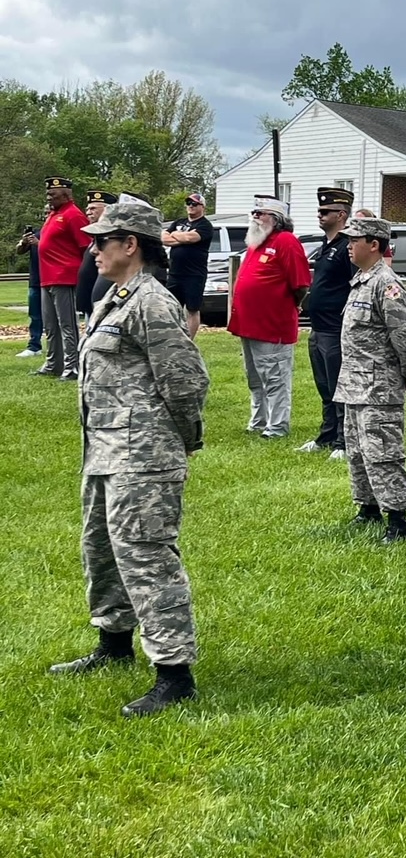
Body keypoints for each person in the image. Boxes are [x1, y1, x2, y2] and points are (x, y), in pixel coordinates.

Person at [47, 198, 210, 717]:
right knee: (102, 552)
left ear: (130, 245)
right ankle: (113, 644)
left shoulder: (152, 303)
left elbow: (186, 382)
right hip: (106, 449)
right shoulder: (114, 297)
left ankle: (174, 673)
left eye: (101, 241)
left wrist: (178, 442)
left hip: (143, 455)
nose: (92, 249)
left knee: (146, 557)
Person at [335, 215, 406, 545]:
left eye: (355, 240)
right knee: (357, 453)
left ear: (374, 245)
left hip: (378, 387)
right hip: (354, 385)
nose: (349, 246)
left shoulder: (387, 284)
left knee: (383, 454)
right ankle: (368, 507)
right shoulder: (361, 280)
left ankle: (398, 520)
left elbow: (404, 336)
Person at [227, 195, 311, 439]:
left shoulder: (286, 241)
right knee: (255, 377)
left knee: (274, 377)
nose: (255, 216)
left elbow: (301, 284)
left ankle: (277, 426)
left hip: (272, 323)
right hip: (249, 323)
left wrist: (289, 305)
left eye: (260, 213)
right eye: (254, 212)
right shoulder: (257, 242)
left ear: (276, 219)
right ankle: (258, 421)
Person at [297, 188, 357, 461]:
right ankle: (327, 435)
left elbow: (355, 286)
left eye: (325, 212)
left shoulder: (348, 248)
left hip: (336, 328)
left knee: (338, 386)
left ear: (341, 214)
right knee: (324, 386)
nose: (319, 215)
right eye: (320, 211)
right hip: (318, 327)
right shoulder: (326, 245)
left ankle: (344, 442)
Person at [32, 176, 90, 380]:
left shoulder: (73, 215)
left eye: (53, 194)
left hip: (65, 276)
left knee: (67, 324)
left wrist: (84, 276)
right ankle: (53, 363)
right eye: (48, 194)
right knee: (50, 325)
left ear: (66, 194)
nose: (49, 197)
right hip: (47, 277)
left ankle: (72, 366)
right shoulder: (53, 215)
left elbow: (86, 247)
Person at [162, 192, 215, 338]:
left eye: (194, 204)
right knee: (171, 307)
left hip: (194, 275)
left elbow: (190, 238)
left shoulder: (205, 225)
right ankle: (172, 337)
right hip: (174, 273)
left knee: (192, 309)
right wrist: (180, 238)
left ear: (202, 206)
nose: (190, 206)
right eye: (188, 203)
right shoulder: (179, 222)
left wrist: (175, 236)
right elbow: (163, 237)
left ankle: (188, 341)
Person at [76, 191, 118, 319]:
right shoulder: (95, 235)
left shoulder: (113, 236)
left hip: (104, 305)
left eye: (93, 208)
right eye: (87, 209)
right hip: (90, 304)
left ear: (107, 210)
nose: (88, 212)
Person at [15, 213, 44, 359]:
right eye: (44, 213)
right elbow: (19, 251)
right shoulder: (37, 232)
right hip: (35, 279)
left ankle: (61, 346)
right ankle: (34, 346)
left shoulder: (57, 233)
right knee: (35, 315)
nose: (46, 215)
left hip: (54, 279)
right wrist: (24, 242)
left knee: (58, 316)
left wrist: (39, 243)